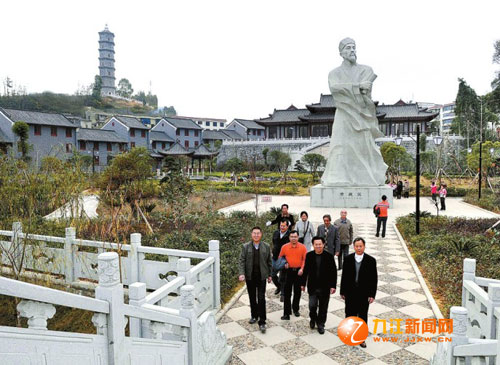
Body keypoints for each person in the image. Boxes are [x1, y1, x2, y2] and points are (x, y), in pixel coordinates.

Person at [321, 38, 387, 187]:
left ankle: (368, 177)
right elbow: (335, 90)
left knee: (364, 147)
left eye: (354, 47)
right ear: (341, 52)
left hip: (361, 114)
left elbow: (366, 93)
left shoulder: (366, 70)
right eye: (348, 48)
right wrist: (357, 86)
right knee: (340, 145)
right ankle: (338, 177)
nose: (352, 50)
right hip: (344, 114)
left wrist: (360, 89)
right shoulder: (334, 73)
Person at [340, 237, 378, 348]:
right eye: (356, 246)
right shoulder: (348, 259)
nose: (359, 248)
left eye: (361, 246)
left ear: (364, 246)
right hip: (350, 292)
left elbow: (374, 279)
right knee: (349, 314)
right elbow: (344, 277)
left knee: (362, 315)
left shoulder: (371, 260)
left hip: (364, 293)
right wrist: (342, 291)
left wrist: (372, 294)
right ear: (354, 246)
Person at [238, 226, 272, 333]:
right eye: (254, 233)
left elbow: (269, 262)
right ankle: (254, 315)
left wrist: (270, 275)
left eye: (258, 233)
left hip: (262, 276)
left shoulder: (266, 246)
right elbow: (241, 261)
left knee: (261, 298)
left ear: (261, 235)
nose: (256, 235)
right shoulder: (246, 247)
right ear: (251, 234)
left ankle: (262, 321)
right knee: (252, 297)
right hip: (250, 277)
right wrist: (241, 273)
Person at [301, 236, 337, 334]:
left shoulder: (329, 256)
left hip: (325, 286)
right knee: (312, 305)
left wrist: (333, 285)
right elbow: (305, 271)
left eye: (320, 244)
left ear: (323, 244)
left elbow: (333, 272)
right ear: (313, 245)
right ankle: (313, 318)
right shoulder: (309, 255)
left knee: (323, 307)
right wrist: (303, 283)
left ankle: (321, 324)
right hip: (312, 286)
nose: (318, 246)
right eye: (316, 245)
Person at [279, 230, 307, 320]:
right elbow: (281, 258)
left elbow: (304, 259)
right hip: (288, 271)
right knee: (287, 293)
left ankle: (295, 309)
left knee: (297, 292)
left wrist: (302, 268)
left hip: (299, 271)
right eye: (292, 237)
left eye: (295, 237)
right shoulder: (284, 247)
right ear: (289, 237)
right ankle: (286, 313)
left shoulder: (302, 247)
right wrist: (284, 263)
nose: (293, 238)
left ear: (298, 237)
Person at [272, 219, 291, 299]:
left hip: (284, 258)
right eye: (281, 226)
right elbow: (273, 242)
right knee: (273, 274)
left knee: (283, 276)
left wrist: (288, 261)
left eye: (284, 226)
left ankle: (283, 294)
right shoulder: (276, 233)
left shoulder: (290, 235)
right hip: (275, 257)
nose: (282, 227)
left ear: (287, 226)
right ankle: (278, 286)